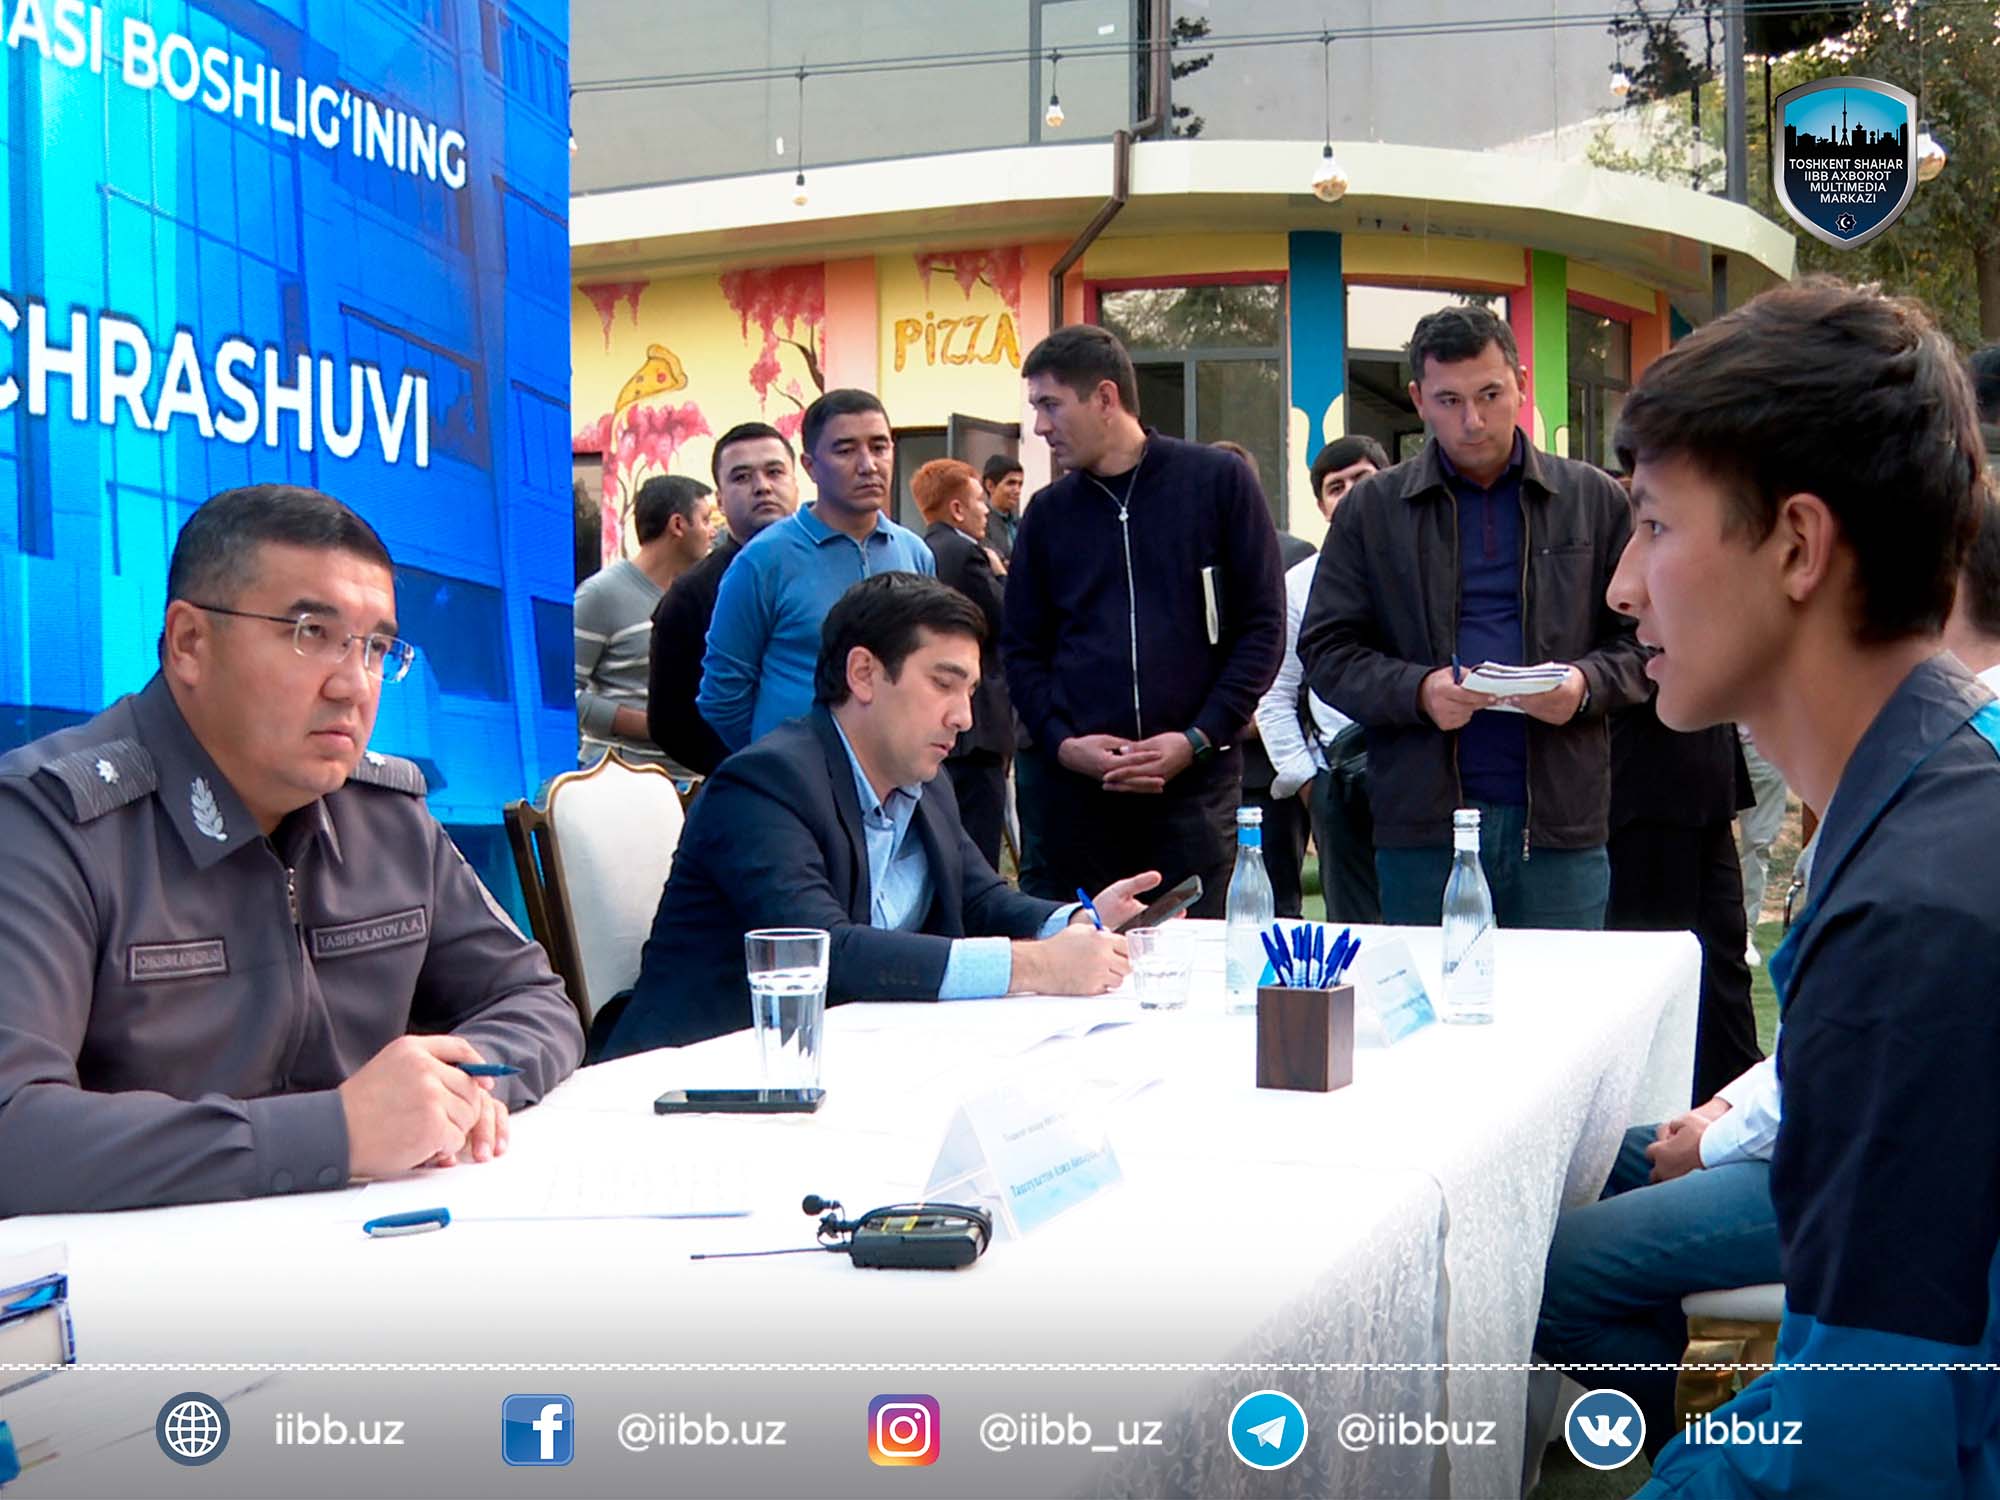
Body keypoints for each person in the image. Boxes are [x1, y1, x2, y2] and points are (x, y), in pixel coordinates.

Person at [1607, 278, 1998, 1496]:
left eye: (1652, 526)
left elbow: (1870, 1446)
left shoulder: (1913, 917)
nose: (1622, 587)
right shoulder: (1933, 806)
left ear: (1794, 545)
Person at [0, 485, 583, 1216]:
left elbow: (532, 999)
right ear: (189, 643)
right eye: (311, 633)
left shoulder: (387, 816)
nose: (353, 685)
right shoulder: (50, 822)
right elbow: (13, 1128)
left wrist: (454, 1090)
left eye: (376, 648)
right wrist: (336, 1133)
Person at [602, 573, 1158, 1055]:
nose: (963, 717)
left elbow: (981, 899)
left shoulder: (926, 781)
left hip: (853, 1059)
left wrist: (1073, 921)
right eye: (943, 684)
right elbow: (826, 951)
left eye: (969, 691)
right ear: (864, 673)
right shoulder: (764, 784)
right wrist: (1039, 966)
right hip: (704, 1073)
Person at [1298, 303, 1647, 928]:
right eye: (1450, 401)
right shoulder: (1372, 511)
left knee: (1562, 992)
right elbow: (1325, 652)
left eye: (1490, 394)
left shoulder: (1592, 499)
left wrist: (1585, 686)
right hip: (1422, 826)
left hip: (1560, 824)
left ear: (1521, 383)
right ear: (1418, 399)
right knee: (1432, 992)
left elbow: (1647, 641)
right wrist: (1419, 692)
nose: (1474, 420)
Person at [1002, 325, 1285, 919]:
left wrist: (1198, 737)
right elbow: (1021, 650)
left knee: (1197, 954)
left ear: (1105, 398)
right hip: (1076, 803)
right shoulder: (1047, 515)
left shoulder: (1218, 484)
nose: (1040, 427)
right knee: (1080, 954)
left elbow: (1263, 628)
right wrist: (1064, 744)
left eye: (1051, 405)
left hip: (1194, 793)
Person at [1535, 1055, 1783, 1455]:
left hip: (1845, 1183)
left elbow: (1846, 1079)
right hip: (1804, 1137)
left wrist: (1708, 1145)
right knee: (1594, 1166)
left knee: (1546, 1280)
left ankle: (1702, 1445)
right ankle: (1700, 1423)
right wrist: (1720, 1108)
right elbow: (1807, 1046)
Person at [697, 390, 935, 753]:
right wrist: (776, 758)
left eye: (879, 447)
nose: (868, 465)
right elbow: (722, 695)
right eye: (845, 450)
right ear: (810, 466)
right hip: (794, 775)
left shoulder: (915, 553)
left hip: (896, 771)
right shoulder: (762, 561)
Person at [1256, 436, 1388, 924]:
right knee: (1354, 931)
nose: (1350, 493)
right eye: (1336, 487)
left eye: (1362, 479)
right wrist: (1309, 783)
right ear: (1321, 506)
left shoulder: (1427, 563)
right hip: (1337, 778)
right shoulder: (1298, 584)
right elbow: (1274, 694)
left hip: (1422, 775)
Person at [646, 423, 800, 776]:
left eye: (774, 472)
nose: (762, 486)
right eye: (742, 477)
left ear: (796, 482)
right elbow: (669, 723)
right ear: (719, 499)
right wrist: (746, 773)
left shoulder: (831, 565)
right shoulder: (691, 595)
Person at [1211, 439, 1315, 915]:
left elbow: (1308, 657)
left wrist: (1264, 716)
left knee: (1278, 898)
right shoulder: (1177, 552)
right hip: (1195, 761)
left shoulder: (1294, 556)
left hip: (1266, 761)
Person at [574, 474, 715, 768]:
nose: (713, 532)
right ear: (678, 525)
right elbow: (561, 695)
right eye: (705, 520)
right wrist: (652, 725)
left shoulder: (700, 596)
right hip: (622, 777)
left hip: (696, 778)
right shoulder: (600, 594)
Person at [915, 458, 1014, 868]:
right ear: (957, 508)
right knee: (979, 845)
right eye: (978, 500)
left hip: (939, 723)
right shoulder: (967, 555)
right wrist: (1001, 576)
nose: (986, 510)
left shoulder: (923, 549)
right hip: (978, 727)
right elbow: (1006, 620)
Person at [982, 453, 1024, 559]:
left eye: (1020, 484)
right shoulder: (980, 524)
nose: (1017, 490)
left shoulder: (1021, 523)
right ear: (990, 485)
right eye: (1011, 483)